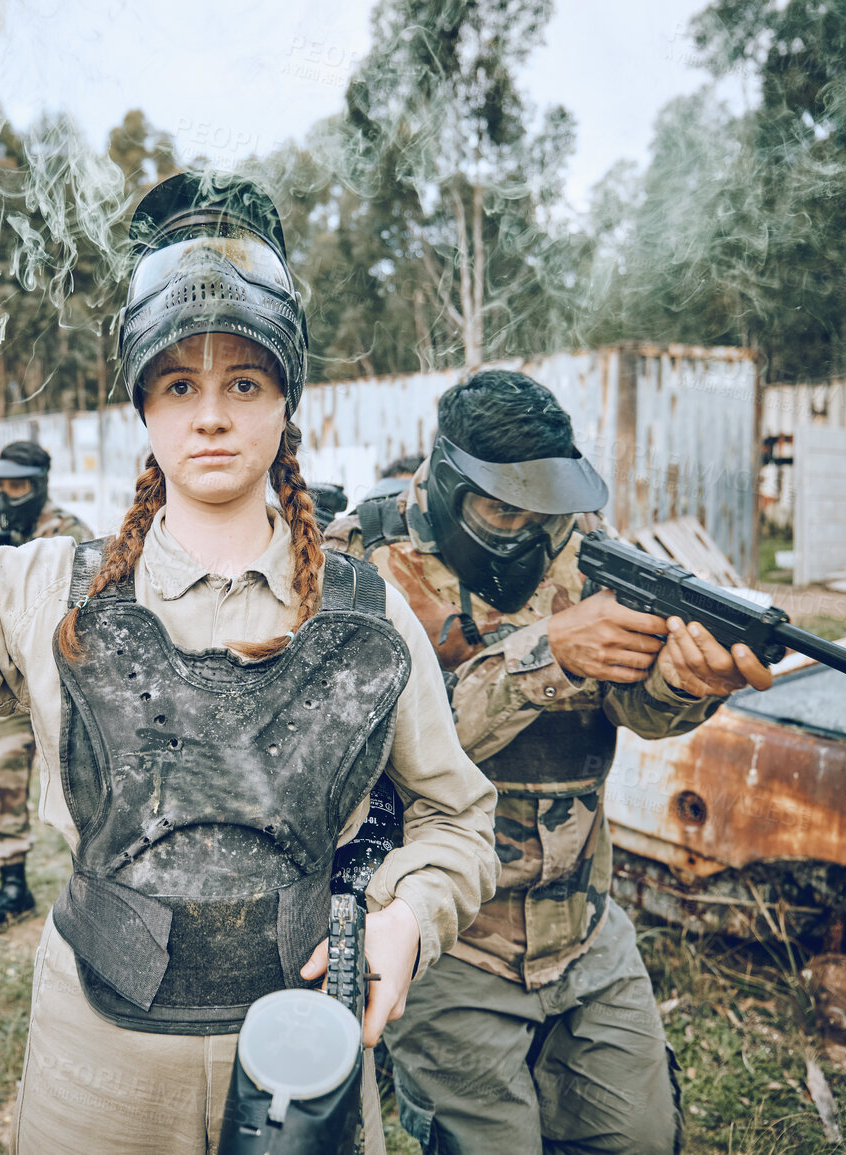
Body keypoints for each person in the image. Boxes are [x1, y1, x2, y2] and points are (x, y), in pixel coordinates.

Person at [0, 170, 499, 1154]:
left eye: (243, 382)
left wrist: (412, 918)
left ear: (285, 404)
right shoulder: (44, 590)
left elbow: (457, 816)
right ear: (144, 407)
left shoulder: (361, 610)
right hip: (102, 1074)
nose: (209, 415)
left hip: (308, 1056)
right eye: (179, 384)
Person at [341, 372, 773, 1154]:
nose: (528, 531)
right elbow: (367, 750)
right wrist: (548, 652)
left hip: (584, 927)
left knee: (640, 1136)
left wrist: (680, 681)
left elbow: (633, 708)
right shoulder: (358, 565)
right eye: (502, 508)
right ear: (446, 482)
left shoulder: (583, 553)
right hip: (443, 936)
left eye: (543, 509)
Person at [0, 441, 95, 936]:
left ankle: (99, 888)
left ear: (39, 486)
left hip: (64, 685)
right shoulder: (1, 536)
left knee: (85, 788)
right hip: (12, 678)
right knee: (3, 779)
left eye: (16, 486)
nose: (5, 496)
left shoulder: (69, 536)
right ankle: (13, 886)